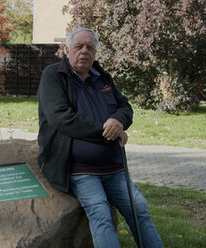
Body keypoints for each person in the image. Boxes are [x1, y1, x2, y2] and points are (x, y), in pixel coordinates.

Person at [37, 27, 164, 248]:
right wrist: (108, 132)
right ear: (67, 50)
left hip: (114, 167)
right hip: (80, 168)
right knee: (100, 214)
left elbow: (125, 107)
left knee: (139, 210)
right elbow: (61, 118)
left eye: (90, 47)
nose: (84, 51)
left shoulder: (102, 77)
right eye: (79, 46)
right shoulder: (54, 75)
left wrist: (118, 122)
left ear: (95, 52)